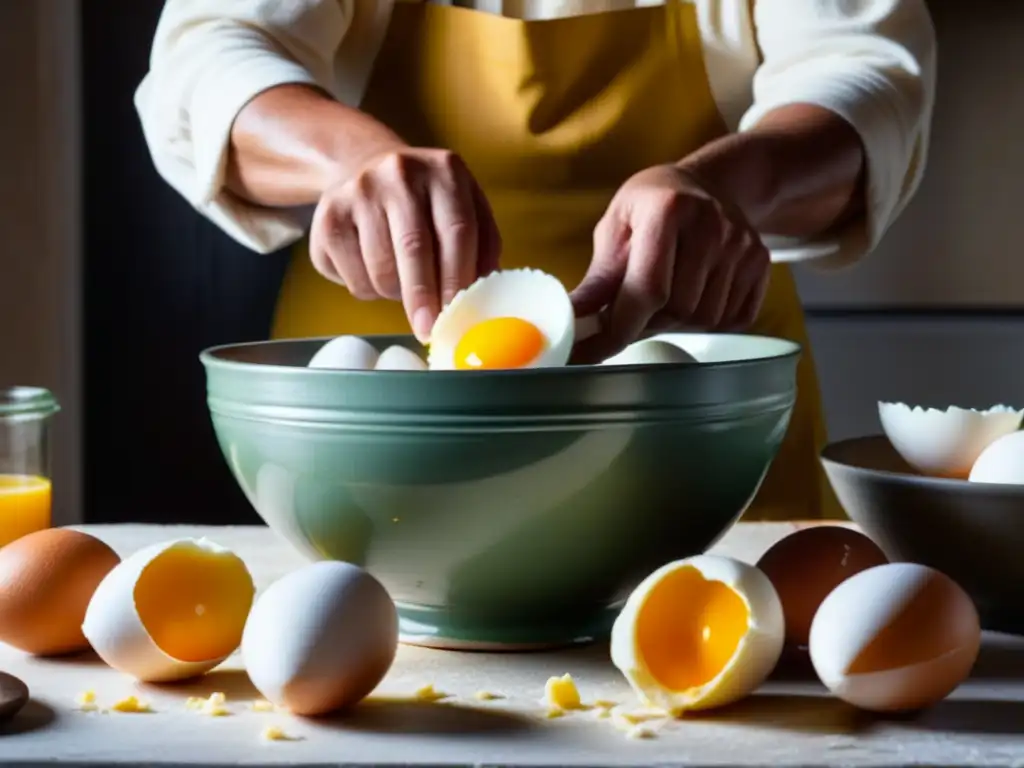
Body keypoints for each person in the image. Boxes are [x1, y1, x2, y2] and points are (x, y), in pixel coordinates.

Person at [135, 0, 936, 522]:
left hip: (700, 422)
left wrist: (723, 187)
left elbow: (868, 77)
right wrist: (348, 159)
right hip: (380, 439)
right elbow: (206, 56)